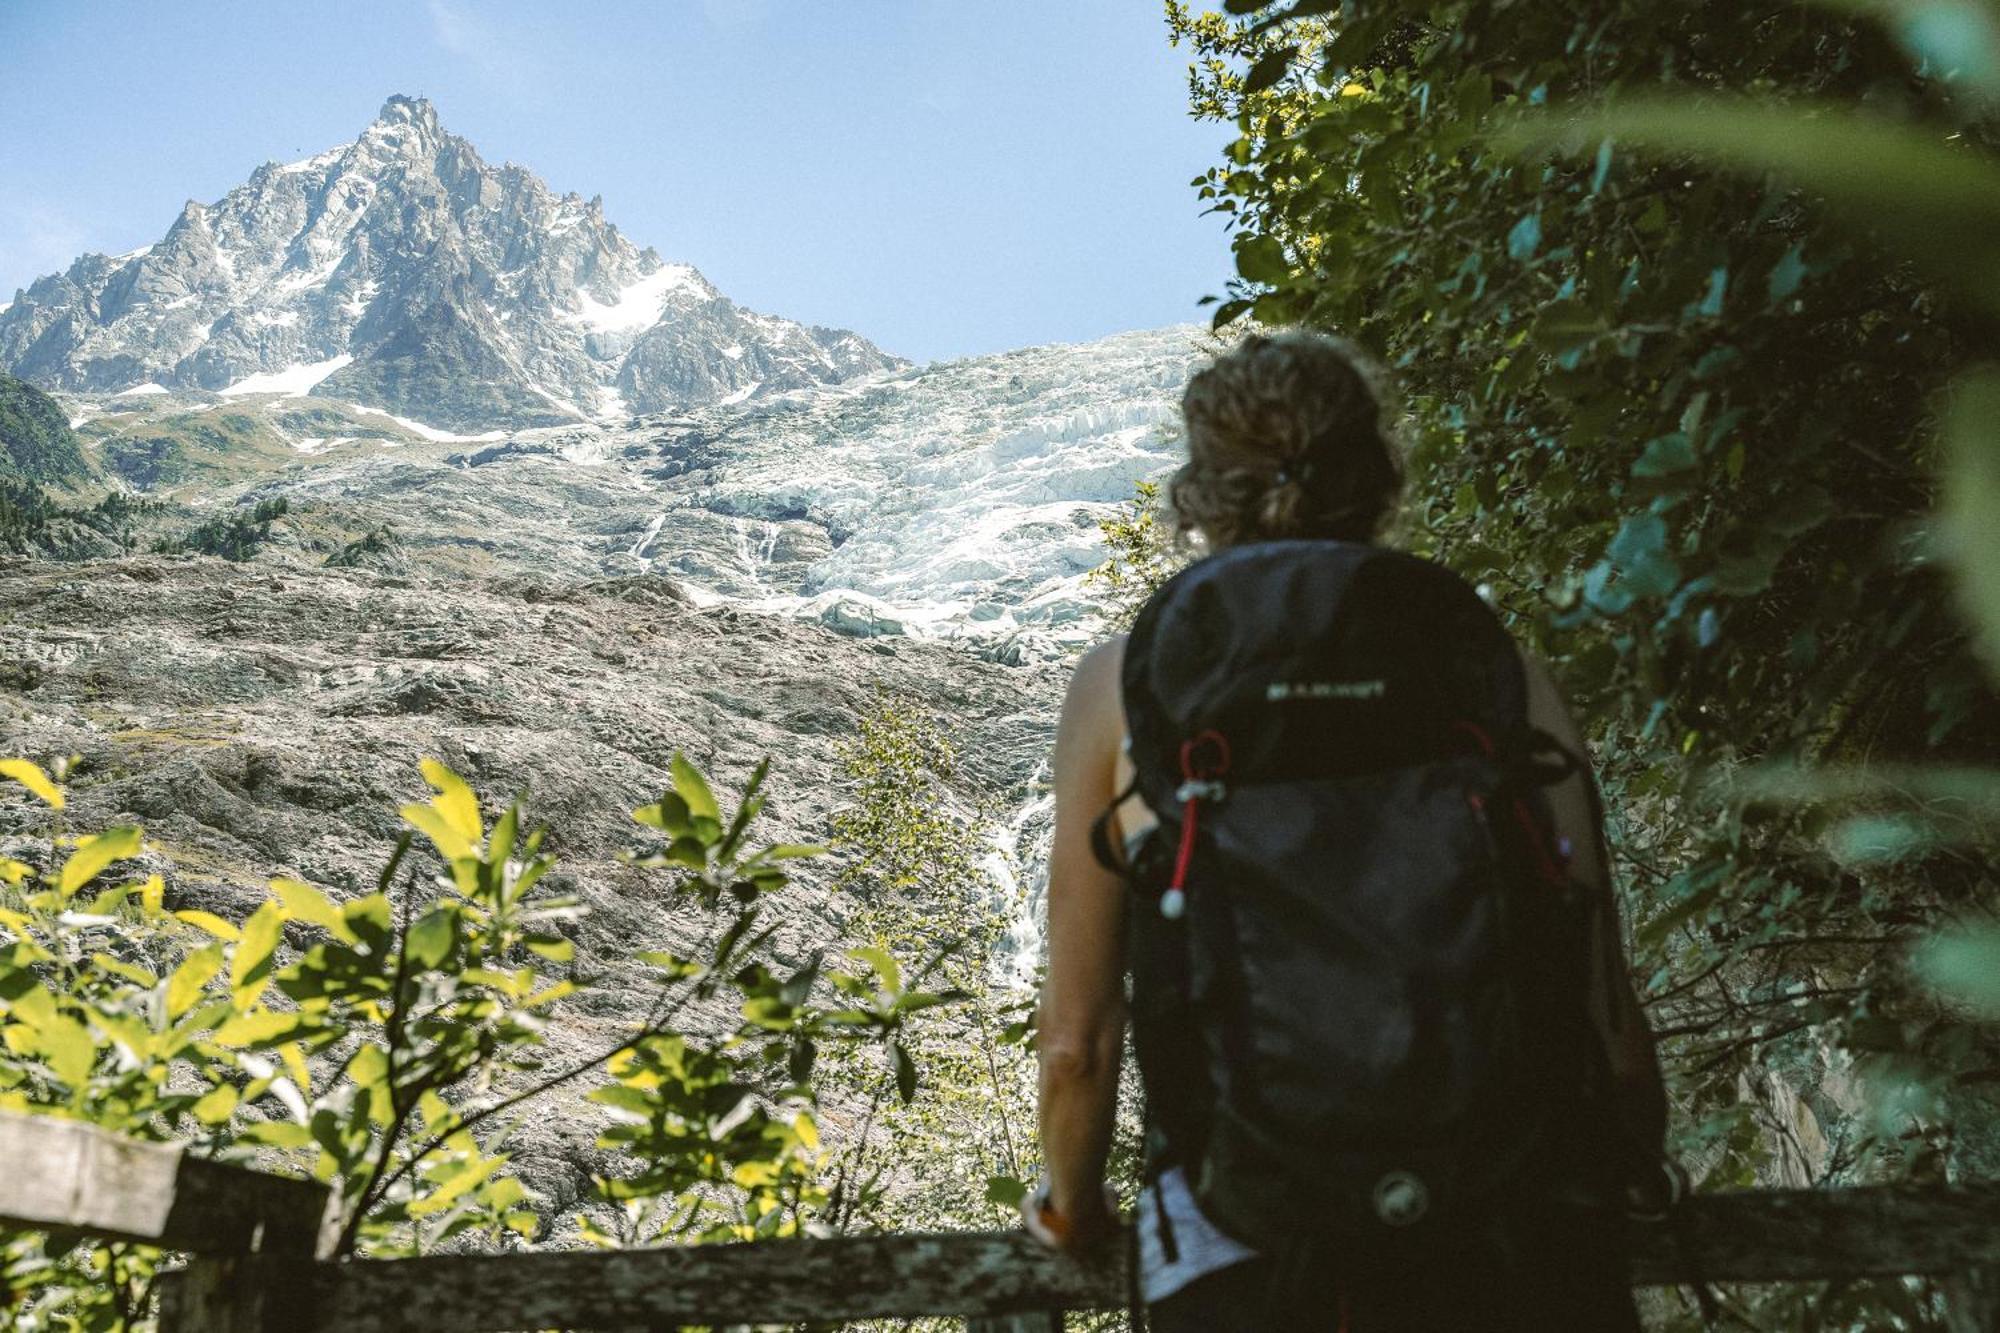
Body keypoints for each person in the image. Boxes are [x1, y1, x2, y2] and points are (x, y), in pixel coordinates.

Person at [1022, 331, 1668, 1330]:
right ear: (1377, 474)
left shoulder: (1126, 683)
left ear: (1198, 491)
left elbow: (1075, 1040)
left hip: (1249, 1242)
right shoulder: (1491, 667)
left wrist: (1070, 1209)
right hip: (1511, 1231)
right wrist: (1620, 1175)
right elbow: (1602, 1011)